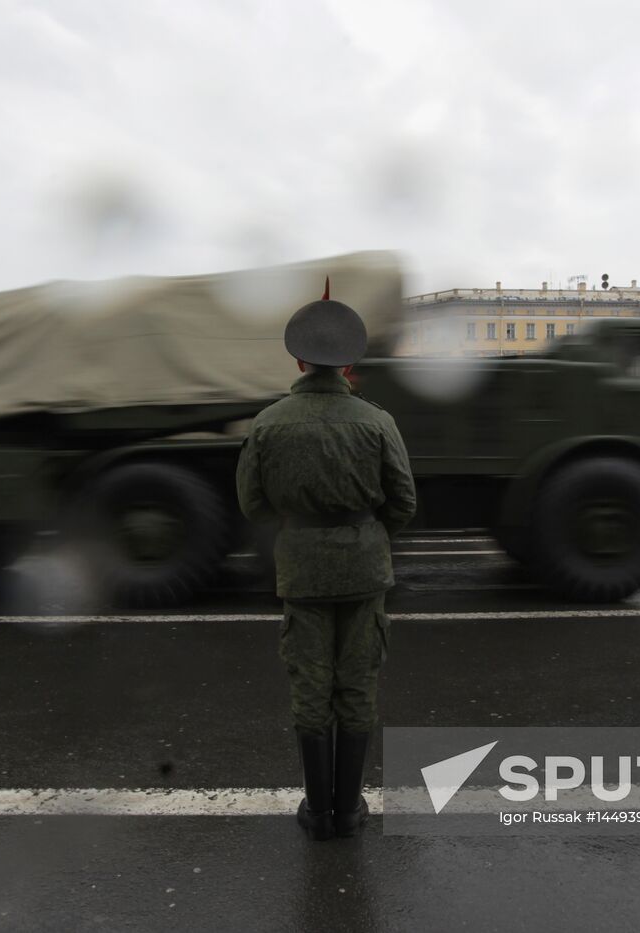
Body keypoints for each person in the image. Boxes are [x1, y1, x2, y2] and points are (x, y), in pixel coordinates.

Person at [236, 279, 417, 841]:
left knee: (310, 686)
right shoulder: (377, 422)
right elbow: (403, 502)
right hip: (364, 570)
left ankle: (318, 812)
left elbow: (252, 503)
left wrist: (298, 532)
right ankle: (349, 808)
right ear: (349, 363)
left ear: (299, 357)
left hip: (302, 570)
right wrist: (365, 533)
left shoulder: (268, 424)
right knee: (357, 684)